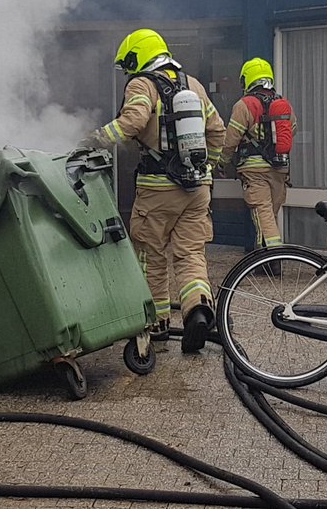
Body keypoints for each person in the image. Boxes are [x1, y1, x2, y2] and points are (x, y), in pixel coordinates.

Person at [80, 29, 226, 353]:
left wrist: (96, 138)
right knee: (190, 254)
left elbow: (132, 121)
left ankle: (156, 324)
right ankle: (198, 307)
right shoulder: (194, 85)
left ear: (138, 57)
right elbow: (218, 131)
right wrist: (209, 169)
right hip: (197, 188)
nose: (128, 72)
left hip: (157, 188)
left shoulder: (142, 84)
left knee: (151, 255)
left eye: (128, 64)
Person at [221, 57, 296, 254]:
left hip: (254, 169)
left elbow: (231, 140)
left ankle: (271, 259)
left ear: (247, 80)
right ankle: (270, 256)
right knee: (271, 214)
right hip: (280, 167)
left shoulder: (245, 104)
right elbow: (292, 130)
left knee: (263, 214)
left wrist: (222, 162)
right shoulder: (283, 103)